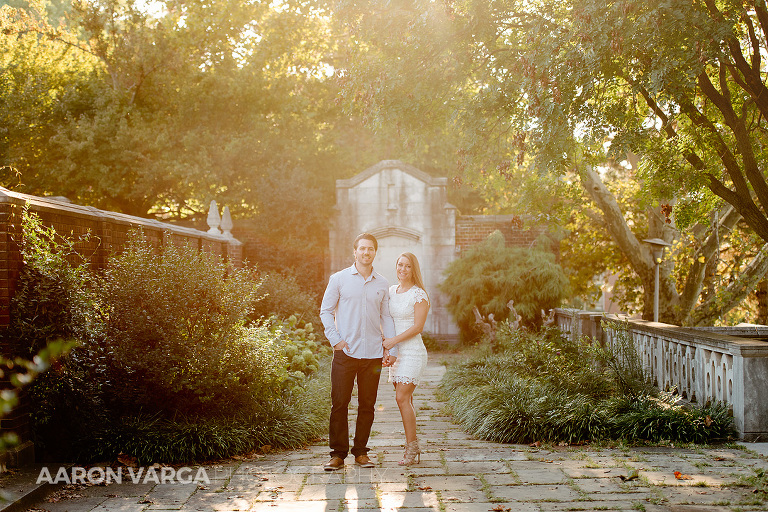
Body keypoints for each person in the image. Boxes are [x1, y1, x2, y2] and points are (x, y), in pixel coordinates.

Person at [320, 233, 398, 471]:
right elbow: (325, 311)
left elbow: (386, 316)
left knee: (367, 404)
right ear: (354, 252)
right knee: (339, 403)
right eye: (362, 248)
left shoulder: (382, 283)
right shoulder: (339, 279)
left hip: (373, 354)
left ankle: (361, 452)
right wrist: (336, 340)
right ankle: (337, 454)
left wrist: (390, 347)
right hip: (346, 353)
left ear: (375, 252)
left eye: (370, 249)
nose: (366, 252)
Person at [382, 252, 429, 465]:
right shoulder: (391, 291)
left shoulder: (419, 295)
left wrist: (393, 341)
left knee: (401, 398)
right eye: (399, 265)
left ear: (413, 270)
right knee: (406, 400)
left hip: (413, 352)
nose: (402, 269)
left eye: (407, 266)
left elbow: (418, 327)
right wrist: (389, 350)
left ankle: (412, 447)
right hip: (396, 353)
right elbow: (385, 319)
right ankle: (412, 444)